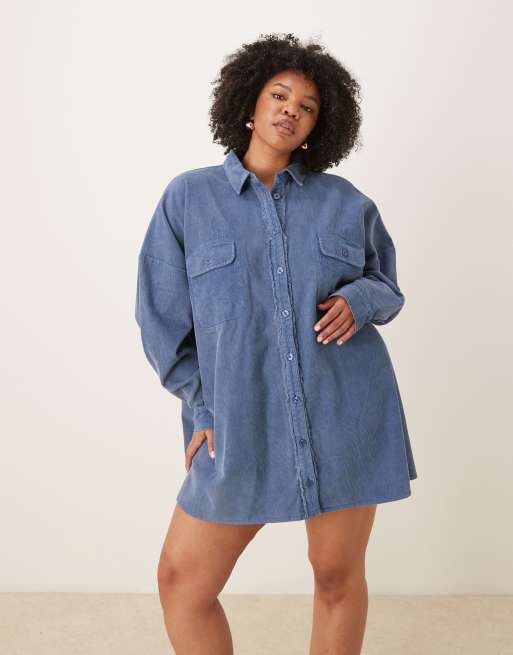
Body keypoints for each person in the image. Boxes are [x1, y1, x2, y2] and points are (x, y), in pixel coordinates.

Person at [135, 32, 417, 655]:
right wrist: (202, 408)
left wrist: (358, 299)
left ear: (319, 125)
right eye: (279, 95)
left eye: (308, 106)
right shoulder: (188, 199)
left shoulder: (345, 203)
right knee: (182, 581)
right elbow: (161, 320)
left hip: (345, 414)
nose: (291, 110)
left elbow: (387, 287)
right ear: (250, 104)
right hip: (239, 421)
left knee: (336, 575)